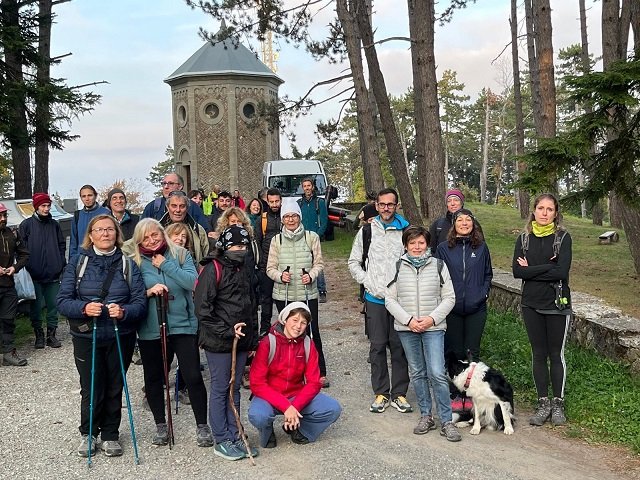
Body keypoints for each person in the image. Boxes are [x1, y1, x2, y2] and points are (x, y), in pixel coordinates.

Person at [56, 214, 147, 458]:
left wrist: (124, 312)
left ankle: (110, 434)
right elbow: (62, 301)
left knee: (115, 384)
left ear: (117, 234)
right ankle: (88, 433)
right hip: (87, 336)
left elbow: (140, 303)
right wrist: (84, 308)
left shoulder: (128, 264)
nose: (105, 233)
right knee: (91, 385)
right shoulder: (77, 263)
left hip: (120, 334)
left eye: (110, 229)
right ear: (91, 235)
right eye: (99, 230)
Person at [129, 219, 213, 447]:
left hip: (183, 324)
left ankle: (202, 425)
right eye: (145, 238)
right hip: (151, 328)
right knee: (154, 377)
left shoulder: (181, 254)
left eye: (155, 235)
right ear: (139, 240)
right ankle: (160, 424)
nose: (151, 240)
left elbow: (194, 283)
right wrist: (148, 292)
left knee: (193, 375)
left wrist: (166, 265)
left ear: (162, 233)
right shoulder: (134, 261)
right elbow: (130, 293)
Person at [385, 226, 460, 442]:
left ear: (427, 244)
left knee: (436, 372)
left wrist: (431, 319)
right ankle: (426, 415)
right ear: (405, 245)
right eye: (412, 243)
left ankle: (446, 420)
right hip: (407, 328)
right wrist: (408, 320)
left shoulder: (439, 266)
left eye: (421, 243)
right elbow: (389, 299)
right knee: (417, 372)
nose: (417, 247)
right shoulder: (397, 266)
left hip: (433, 328)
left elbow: (449, 298)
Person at [194, 225, 259, 461]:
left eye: (244, 246)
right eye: (235, 246)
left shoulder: (245, 268)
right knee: (221, 388)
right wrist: (227, 331)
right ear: (225, 246)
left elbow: (251, 304)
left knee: (235, 389)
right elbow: (202, 309)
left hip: (241, 340)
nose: (240, 250)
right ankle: (221, 438)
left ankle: (236, 433)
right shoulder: (212, 269)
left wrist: (252, 340)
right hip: (219, 341)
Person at [348, 188, 411, 414]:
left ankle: (399, 393)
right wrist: (367, 281)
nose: (386, 208)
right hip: (374, 299)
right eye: (382, 204)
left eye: (390, 204)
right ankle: (381, 393)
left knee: (399, 346)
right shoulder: (367, 231)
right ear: (376, 205)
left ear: (396, 206)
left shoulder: (406, 231)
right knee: (377, 346)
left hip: (399, 300)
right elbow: (353, 262)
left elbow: (417, 259)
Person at [512, 193, 572, 427]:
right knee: (538, 354)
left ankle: (558, 403)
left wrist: (532, 269)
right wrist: (549, 266)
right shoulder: (524, 239)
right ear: (534, 211)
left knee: (556, 354)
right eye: (541, 208)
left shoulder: (563, 238)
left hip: (556, 304)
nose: (545, 213)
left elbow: (562, 272)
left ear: (556, 213)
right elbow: (517, 272)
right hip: (531, 304)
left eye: (550, 209)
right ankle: (543, 402)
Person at [248, 302, 341, 448]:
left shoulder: (308, 344)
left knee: (333, 409)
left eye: (303, 323)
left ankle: (298, 429)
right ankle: (267, 431)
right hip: (269, 396)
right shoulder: (267, 343)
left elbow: (314, 382)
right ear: (285, 320)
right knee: (258, 416)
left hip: (295, 395)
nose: (298, 326)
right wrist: (286, 407)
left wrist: (295, 407)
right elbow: (257, 383)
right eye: (295, 320)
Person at [266, 198, 329, 388]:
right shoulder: (276, 240)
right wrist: (280, 276)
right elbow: (270, 268)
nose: (291, 219)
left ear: (300, 217)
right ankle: (291, 372)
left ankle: (319, 372)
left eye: (294, 216)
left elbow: (319, 263)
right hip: (284, 294)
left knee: (311, 331)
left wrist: (311, 275)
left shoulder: (311, 237)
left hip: (306, 293)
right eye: (287, 216)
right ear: (282, 219)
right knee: (288, 334)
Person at [435, 208, 492, 363]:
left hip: (476, 308)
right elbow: (437, 276)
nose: (464, 223)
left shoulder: (481, 247)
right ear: (454, 224)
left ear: (473, 223)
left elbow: (488, 274)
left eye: (468, 219)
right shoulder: (443, 248)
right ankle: (454, 380)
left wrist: (483, 294)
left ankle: (472, 379)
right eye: (460, 220)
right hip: (452, 308)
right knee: (456, 352)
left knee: (472, 352)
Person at [19, 193, 66, 349]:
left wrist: (60, 262)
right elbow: (21, 249)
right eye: (43, 206)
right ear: (36, 207)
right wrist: (27, 265)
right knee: (36, 307)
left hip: (53, 273)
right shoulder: (26, 225)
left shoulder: (54, 225)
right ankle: (38, 335)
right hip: (34, 274)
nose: (46, 209)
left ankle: (51, 335)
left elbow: (61, 245)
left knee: (53, 305)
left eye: (48, 206)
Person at [0, 202, 30, 366]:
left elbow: (25, 254)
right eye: (0, 216)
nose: (2, 219)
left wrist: (15, 267)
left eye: (4, 215)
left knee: (8, 320)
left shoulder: (12, 234)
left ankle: (8, 353)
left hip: (8, 285)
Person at [255, 188, 282, 336]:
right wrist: (261, 264)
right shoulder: (262, 219)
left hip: (284, 264)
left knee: (285, 298)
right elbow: (257, 242)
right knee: (266, 298)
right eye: (271, 201)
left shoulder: (287, 216)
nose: (274, 204)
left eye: (277, 201)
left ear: (281, 200)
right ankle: (264, 329)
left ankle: (285, 327)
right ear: (267, 201)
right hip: (266, 265)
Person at [142, 172, 209, 232]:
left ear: (180, 187)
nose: (166, 187)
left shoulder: (193, 206)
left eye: (170, 183)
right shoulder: (153, 206)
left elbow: (204, 231)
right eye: (164, 183)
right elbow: (141, 232)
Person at [297, 177, 329, 303]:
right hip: (302, 237)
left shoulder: (319, 202)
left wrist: (318, 234)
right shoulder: (299, 203)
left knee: (317, 263)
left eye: (308, 185)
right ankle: (305, 287)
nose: (307, 188)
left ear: (313, 187)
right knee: (303, 262)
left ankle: (322, 291)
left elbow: (324, 220)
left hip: (315, 236)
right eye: (304, 186)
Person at [160, 191, 210, 263]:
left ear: (187, 208)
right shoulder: (158, 230)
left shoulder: (198, 230)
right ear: (167, 207)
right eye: (174, 206)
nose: (178, 210)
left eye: (182, 206)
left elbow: (206, 257)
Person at [70, 184, 110, 258]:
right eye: (84, 196)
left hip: (101, 258)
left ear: (95, 196)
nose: (87, 199)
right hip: (82, 258)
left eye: (90, 195)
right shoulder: (77, 216)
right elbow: (73, 242)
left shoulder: (106, 213)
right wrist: (73, 260)